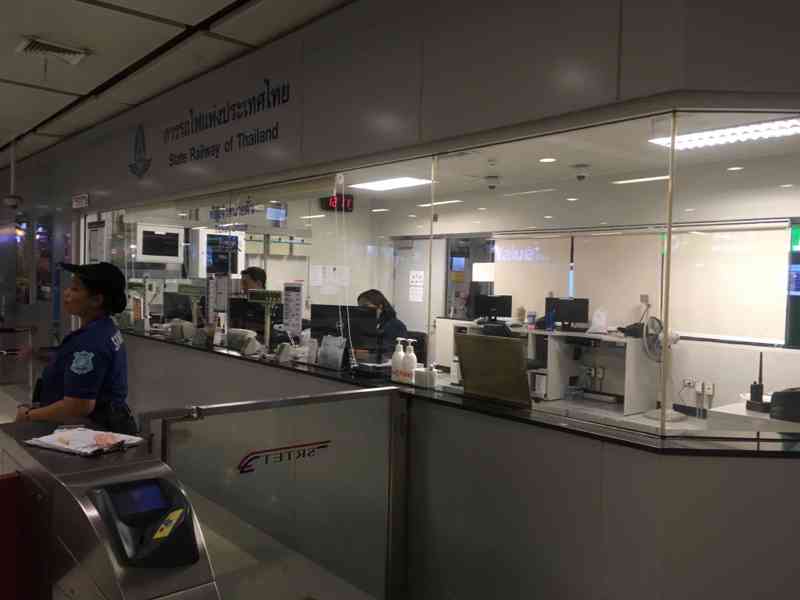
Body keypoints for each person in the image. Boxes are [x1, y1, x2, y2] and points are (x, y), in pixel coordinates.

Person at [16, 262, 137, 435]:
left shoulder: (90, 341)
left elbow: (78, 407)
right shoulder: (104, 328)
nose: (66, 293)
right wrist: (37, 354)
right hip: (105, 424)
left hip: (91, 434)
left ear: (96, 300)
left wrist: (29, 415)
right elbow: (70, 359)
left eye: (75, 289)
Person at [357, 289, 407, 356]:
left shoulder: (396, 325)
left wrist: (362, 353)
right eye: (360, 307)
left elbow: (388, 352)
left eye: (365, 306)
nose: (362, 310)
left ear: (380, 307)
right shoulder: (365, 325)